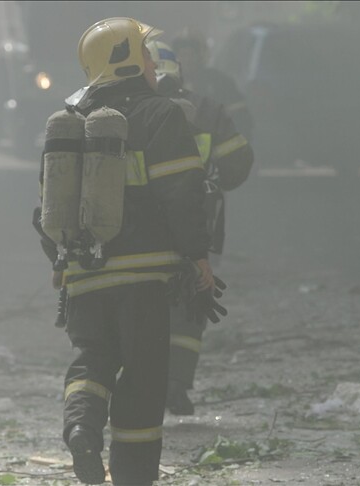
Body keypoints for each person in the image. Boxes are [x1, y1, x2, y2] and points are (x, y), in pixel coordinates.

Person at [32, 17, 221, 486]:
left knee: (92, 358)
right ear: (125, 60)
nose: (154, 65)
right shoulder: (161, 115)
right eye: (145, 53)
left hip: (83, 273)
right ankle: (134, 477)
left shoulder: (70, 121)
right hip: (144, 277)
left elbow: (47, 206)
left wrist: (63, 265)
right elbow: (182, 191)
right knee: (142, 375)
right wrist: (199, 255)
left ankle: (80, 426)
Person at [147, 40, 254, 415]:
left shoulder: (118, 111)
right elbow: (238, 164)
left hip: (135, 232)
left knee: (137, 303)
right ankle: (176, 384)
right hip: (194, 226)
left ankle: (139, 384)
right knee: (191, 303)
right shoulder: (207, 109)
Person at [171, 30, 254, 142]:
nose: (187, 60)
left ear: (201, 56)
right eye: (183, 55)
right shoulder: (167, 83)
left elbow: (241, 116)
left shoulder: (220, 82)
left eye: (192, 54)